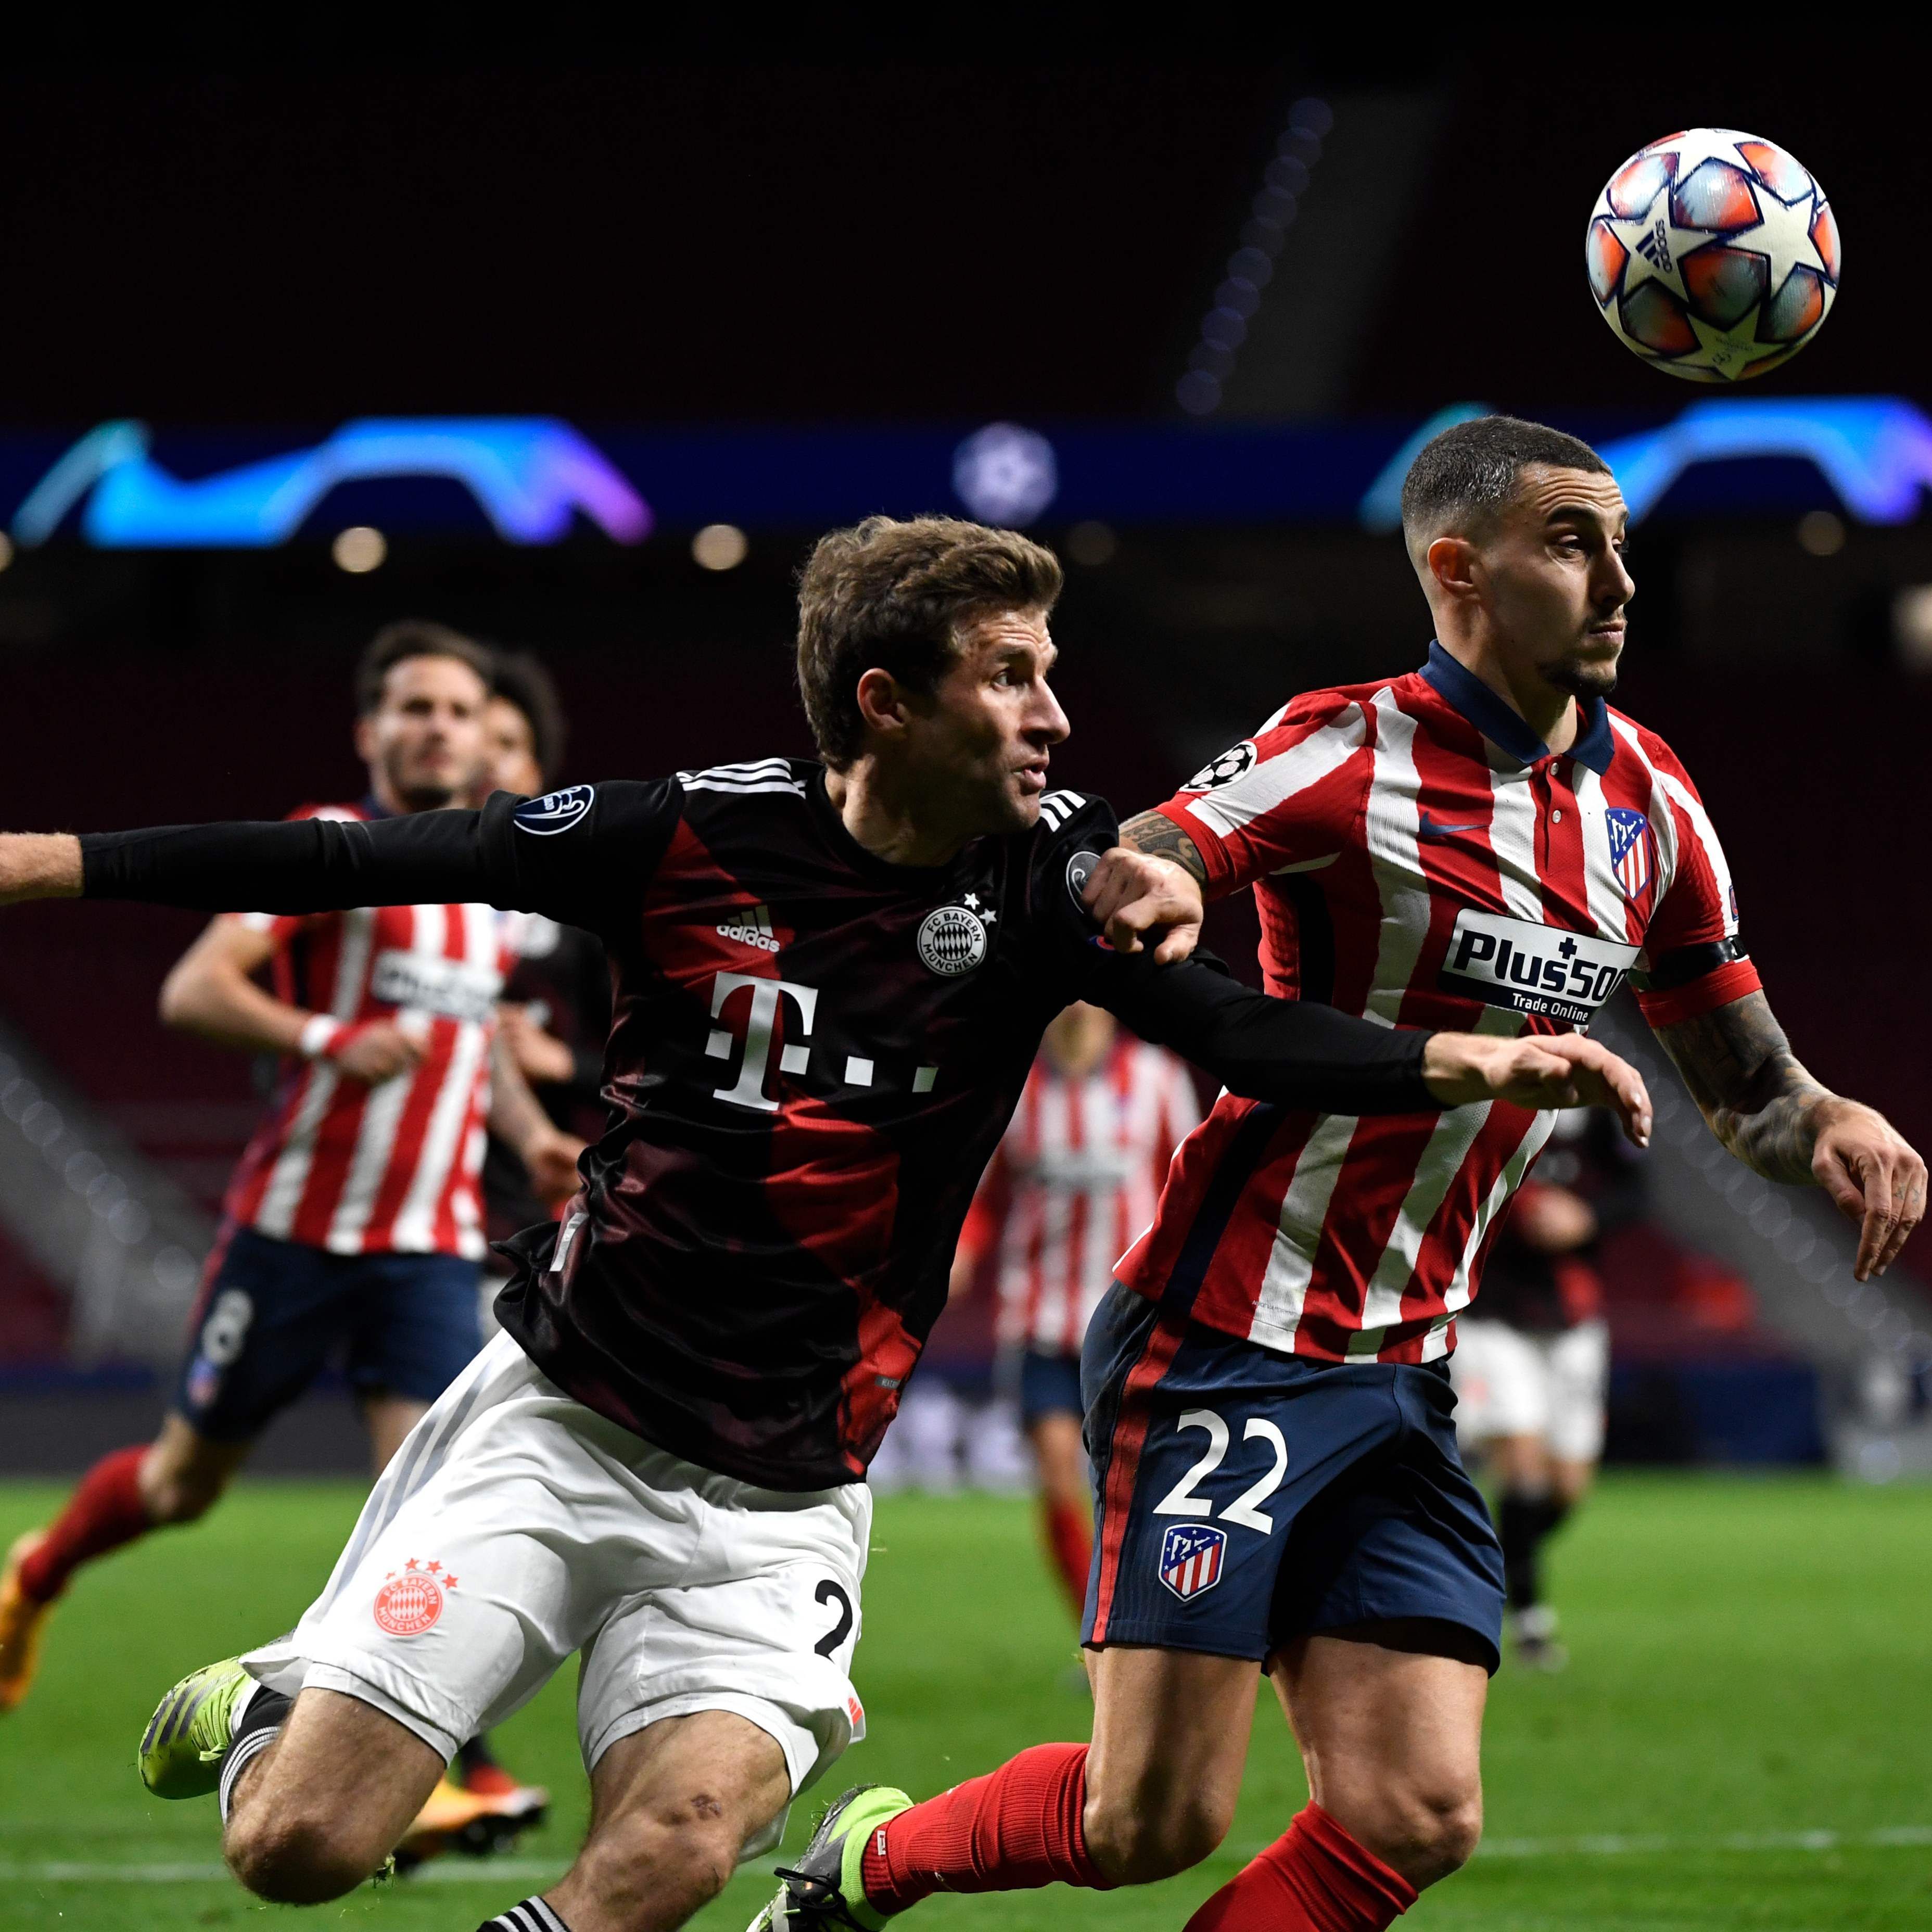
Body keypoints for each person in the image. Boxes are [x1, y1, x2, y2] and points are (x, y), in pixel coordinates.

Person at [0, 514, 1648, 1932]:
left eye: (1052, 673)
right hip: (564, 1426)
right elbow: (347, 860)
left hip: (788, 1498)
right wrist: (49, 861)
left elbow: (1234, 1028)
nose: (1056, 718)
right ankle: (276, 1702)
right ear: (887, 700)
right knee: (296, 1850)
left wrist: (1453, 1058)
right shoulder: (683, 833)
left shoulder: (1043, 877)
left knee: (673, 1852)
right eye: (1010, 675)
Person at [764, 422, 1925, 1932]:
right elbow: (1178, 847)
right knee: (1151, 1818)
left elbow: (1746, 1086)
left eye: (1620, 543)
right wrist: (1159, 884)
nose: (1619, 579)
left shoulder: (1655, 801)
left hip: (1406, 1362)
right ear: (1458, 570)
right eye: (1574, 542)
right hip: (1227, 1341)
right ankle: (864, 1864)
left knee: (1415, 1813)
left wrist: (1827, 1115)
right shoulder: (1346, 743)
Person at [0, 625, 579, 1838]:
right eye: (411, 708)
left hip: (428, 1247)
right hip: (292, 1237)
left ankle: (439, 1767)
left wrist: (526, 1127)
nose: (435, 727)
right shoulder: (333, 847)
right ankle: (35, 1573)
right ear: (372, 733)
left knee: (430, 1506)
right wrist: (326, 1040)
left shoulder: (491, 890)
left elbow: (465, 1037)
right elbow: (194, 988)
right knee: (178, 1483)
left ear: (486, 736)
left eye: (456, 710)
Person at [952, 1001, 1199, 1622]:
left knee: (1134, 1488)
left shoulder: (1156, 1080)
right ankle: (1097, 1634)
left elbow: (1194, 1189)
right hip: (1041, 1320)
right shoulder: (1016, 1089)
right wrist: (959, 1253)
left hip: (1133, 1324)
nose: (1079, 1005)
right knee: (1059, 1474)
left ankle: (1139, 1627)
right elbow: (979, 1197)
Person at [1450, 1105, 1640, 1669]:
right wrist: (1519, 1209)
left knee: (1566, 1487)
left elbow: (1637, 1191)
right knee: (1522, 1465)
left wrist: (1588, 1217)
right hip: (1492, 1315)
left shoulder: (1596, 1106)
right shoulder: (1488, 1089)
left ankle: (1489, 1558)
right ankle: (1530, 1620)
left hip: (1572, 1322)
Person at [476, 651, 613, 1251]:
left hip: (521, 1219)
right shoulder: (385, 904)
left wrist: (561, 1062)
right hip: (389, 1209)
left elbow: (645, 1070)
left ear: (535, 771)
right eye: (472, 734)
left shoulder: (580, 915)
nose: (484, 755)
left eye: (505, 742)